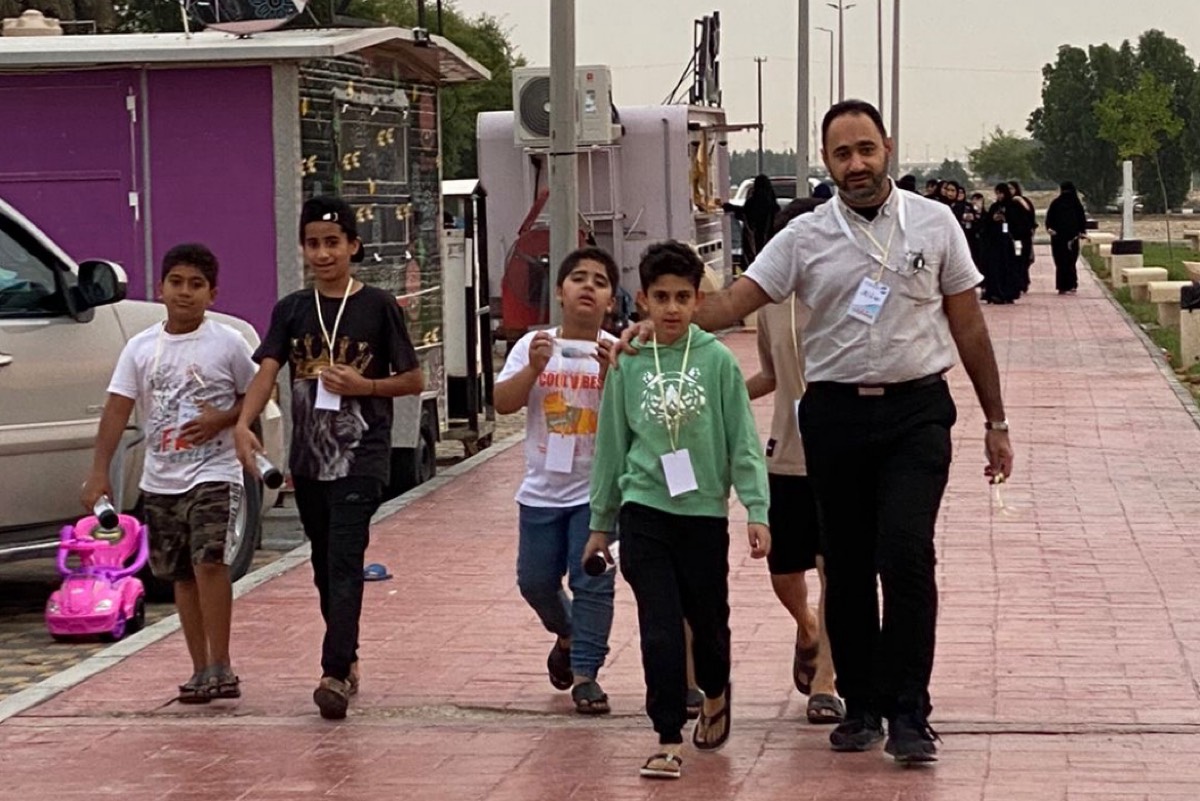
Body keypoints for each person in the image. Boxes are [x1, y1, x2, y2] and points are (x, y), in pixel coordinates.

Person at [616, 99, 1014, 764]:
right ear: (826, 161)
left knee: (906, 554)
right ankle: (861, 706)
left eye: (866, 149)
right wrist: (657, 323)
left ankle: (909, 712)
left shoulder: (935, 222)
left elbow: (968, 323)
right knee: (848, 564)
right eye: (842, 153)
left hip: (916, 412)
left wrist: (996, 420)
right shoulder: (804, 236)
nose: (856, 164)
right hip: (834, 417)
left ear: (887, 147)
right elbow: (733, 301)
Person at [234, 196, 423, 720]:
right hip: (310, 461)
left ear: (353, 246)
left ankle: (333, 672)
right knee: (323, 565)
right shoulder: (292, 309)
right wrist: (244, 423)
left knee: (344, 558)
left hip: (362, 457)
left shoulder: (379, 306)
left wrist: (367, 386)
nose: (323, 253)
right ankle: (348, 654)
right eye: (313, 243)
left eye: (333, 243)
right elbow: (267, 370)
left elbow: (413, 379)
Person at [587, 241, 771, 779]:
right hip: (644, 511)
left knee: (708, 624)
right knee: (660, 627)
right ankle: (667, 736)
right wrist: (600, 523)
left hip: (703, 514)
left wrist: (756, 508)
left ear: (697, 301)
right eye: (661, 297)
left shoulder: (717, 361)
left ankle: (715, 690)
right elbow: (611, 445)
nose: (671, 308)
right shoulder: (628, 362)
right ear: (643, 299)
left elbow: (742, 440)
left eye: (682, 297)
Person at [82, 243, 256, 704]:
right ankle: (199, 667)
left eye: (196, 285)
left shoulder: (228, 343)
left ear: (212, 294)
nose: (185, 292)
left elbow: (258, 392)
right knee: (180, 573)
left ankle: (222, 663)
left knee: (210, 561)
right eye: (176, 283)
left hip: (215, 471)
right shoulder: (140, 348)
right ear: (160, 288)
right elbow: (117, 410)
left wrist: (223, 420)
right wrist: (98, 472)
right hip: (161, 479)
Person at [494, 246, 619, 715]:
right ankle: (567, 634)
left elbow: (633, 418)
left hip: (596, 493)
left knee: (594, 583)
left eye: (600, 282)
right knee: (534, 581)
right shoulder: (534, 345)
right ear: (560, 292)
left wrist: (612, 376)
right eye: (579, 278)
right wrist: (534, 368)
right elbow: (503, 403)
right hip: (541, 492)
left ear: (611, 300)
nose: (588, 287)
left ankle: (586, 675)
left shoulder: (618, 350)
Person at [745, 198, 843, 726]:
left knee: (836, 568)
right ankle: (807, 628)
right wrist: (722, 395)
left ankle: (826, 680)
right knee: (784, 570)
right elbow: (770, 373)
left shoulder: (847, 293)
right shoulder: (769, 303)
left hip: (841, 453)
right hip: (784, 454)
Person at [982, 183, 1022, 304]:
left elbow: (1019, 224)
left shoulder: (1013, 206)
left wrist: (1006, 219)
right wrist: (993, 219)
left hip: (1008, 243)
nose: (999, 196)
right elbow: (986, 224)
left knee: (1008, 268)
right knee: (995, 268)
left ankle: (1008, 293)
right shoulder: (995, 206)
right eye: (997, 193)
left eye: (1001, 193)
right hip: (995, 243)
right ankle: (996, 293)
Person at [1045, 181, 1088, 294]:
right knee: (1064, 261)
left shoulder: (1064, 204)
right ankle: (1065, 285)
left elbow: (1081, 220)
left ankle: (1068, 284)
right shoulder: (1060, 203)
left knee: (1068, 261)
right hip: (1061, 237)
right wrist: (1049, 228)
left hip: (1068, 238)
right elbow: (1049, 219)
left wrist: (1082, 232)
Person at [1008, 181, 1037, 294]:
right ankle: (1017, 282)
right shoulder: (1007, 203)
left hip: (1024, 236)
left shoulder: (1023, 201)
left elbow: (1030, 214)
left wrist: (1020, 200)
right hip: (1012, 237)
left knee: (1024, 259)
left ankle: (1023, 282)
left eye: (1012, 188)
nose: (1010, 191)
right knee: (1015, 259)